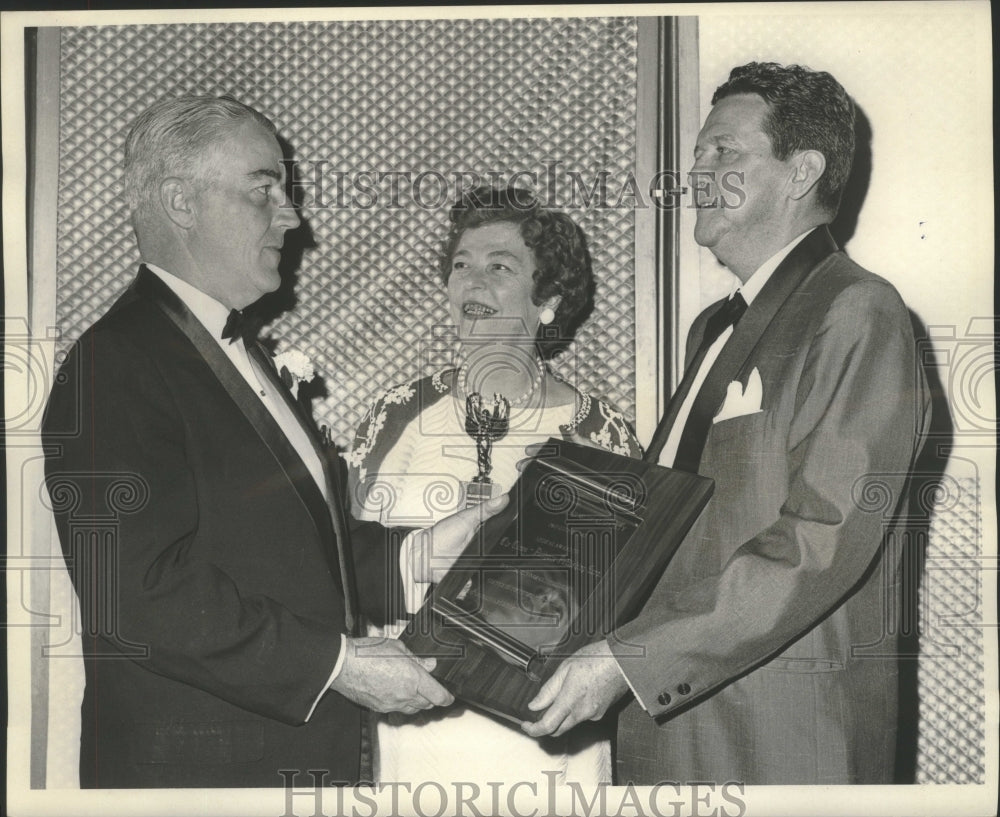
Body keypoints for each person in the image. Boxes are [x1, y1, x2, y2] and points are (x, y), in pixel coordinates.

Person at [41, 95, 504, 788]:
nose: (291, 217)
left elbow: (291, 554)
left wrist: (422, 554)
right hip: (196, 781)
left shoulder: (242, 354)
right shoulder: (115, 362)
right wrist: (338, 664)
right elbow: (134, 592)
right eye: (263, 190)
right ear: (180, 202)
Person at [522, 62, 931, 784]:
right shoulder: (713, 326)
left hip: (780, 738)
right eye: (697, 153)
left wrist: (633, 658)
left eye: (724, 151)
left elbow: (821, 537)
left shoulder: (857, 309)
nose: (695, 173)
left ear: (802, 172)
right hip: (676, 727)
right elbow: (680, 523)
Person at [346, 186, 642, 786]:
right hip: (415, 722)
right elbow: (347, 568)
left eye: (499, 267)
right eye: (461, 266)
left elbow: (628, 592)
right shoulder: (398, 415)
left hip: (547, 730)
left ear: (548, 300)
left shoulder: (597, 432)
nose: (471, 282)